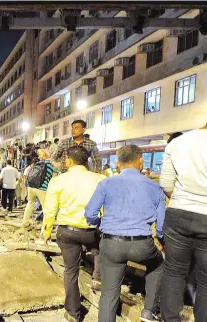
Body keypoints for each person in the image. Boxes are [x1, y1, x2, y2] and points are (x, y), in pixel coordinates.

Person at [84, 145, 165, 322]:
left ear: (118, 164)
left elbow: (90, 214)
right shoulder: (154, 186)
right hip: (142, 245)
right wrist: (160, 238)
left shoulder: (106, 183)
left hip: (112, 243)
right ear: (140, 160)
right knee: (158, 264)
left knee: (109, 294)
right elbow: (161, 226)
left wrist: (100, 225)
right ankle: (149, 311)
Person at [42, 146, 104, 322]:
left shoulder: (58, 181)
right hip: (93, 231)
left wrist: (47, 231)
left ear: (68, 160)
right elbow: (106, 209)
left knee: (71, 271)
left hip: (67, 232)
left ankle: (72, 313)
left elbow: (50, 210)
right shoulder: (100, 179)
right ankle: (97, 278)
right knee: (100, 249)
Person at [159, 123, 207, 322]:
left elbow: (166, 184)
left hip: (178, 214)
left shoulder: (178, 142)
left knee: (174, 270)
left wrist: (181, 199)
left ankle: (169, 318)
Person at [23, 154, 57, 227]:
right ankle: (45, 228)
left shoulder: (41, 162)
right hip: (42, 188)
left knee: (30, 203)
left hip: (31, 186)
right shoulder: (54, 166)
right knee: (46, 209)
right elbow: (54, 180)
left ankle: (25, 222)